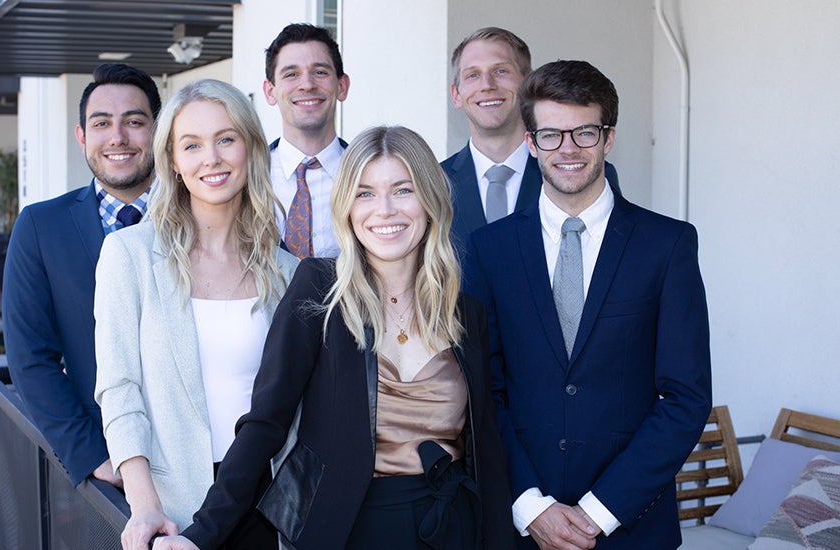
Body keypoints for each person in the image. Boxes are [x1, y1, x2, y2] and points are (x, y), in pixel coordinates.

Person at [152, 126, 514, 550]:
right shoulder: (317, 291)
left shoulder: (466, 312)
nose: (384, 210)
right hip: (349, 530)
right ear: (346, 207)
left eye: (402, 190)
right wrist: (202, 534)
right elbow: (265, 422)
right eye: (364, 193)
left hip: (452, 528)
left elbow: (485, 451)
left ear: (430, 201)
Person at [464, 60, 712, 549]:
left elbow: (686, 398)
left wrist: (599, 513)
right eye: (552, 135)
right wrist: (532, 507)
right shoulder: (488, 249)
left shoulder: (667, 245)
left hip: (632, 527)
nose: (569, 150)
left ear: (609, 137)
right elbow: (481, 393)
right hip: (520, 526)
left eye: (585, 133)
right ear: (531, 143)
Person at [93, 79, 300, 549]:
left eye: (226, 139)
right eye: (192, 145)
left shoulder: (289, 273)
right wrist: (144, 503)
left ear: (250, 149)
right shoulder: (130, 254)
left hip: (273, 507)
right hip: (174, 509)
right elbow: (119, 388)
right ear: (173, 161)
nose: (211, 158)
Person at [3, 63, 160, 488]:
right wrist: (92, 456)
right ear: (82, 137)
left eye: (134, 121)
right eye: (102, 123)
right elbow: (30, 357)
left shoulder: (202, 215)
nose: (118, 138)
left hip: (215, 465)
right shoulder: (41, 227)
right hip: (106, 470)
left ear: (158, 131)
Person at [442, 28, 620, 262]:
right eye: (473, 75)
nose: (487, 84)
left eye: (501, 70)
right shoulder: (434, 182)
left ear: (528, 83)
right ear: (456, 94)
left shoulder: (579, 169)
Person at [263, 23, 350, 259]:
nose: (307, 84)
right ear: (270, 91)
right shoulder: (248, 174)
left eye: (320, 72)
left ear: (342, 86)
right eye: (291, 74)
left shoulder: (367, 173)